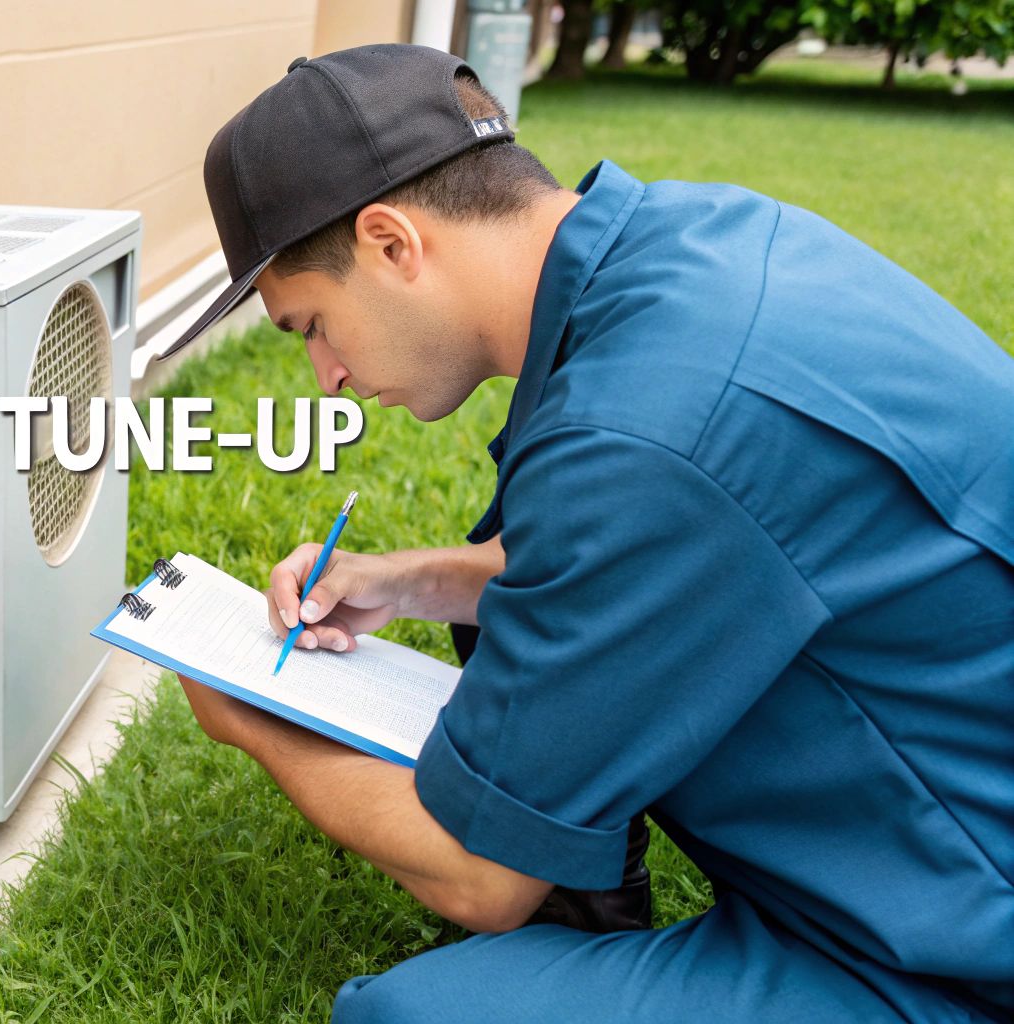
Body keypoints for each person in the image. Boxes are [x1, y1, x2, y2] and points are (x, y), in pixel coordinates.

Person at [164, 44, 1014, 1022]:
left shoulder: (647, 428)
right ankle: (584, 864)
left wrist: (252, 719)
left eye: (309, 325)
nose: (327, 377)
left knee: (410, 1016)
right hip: (942, 796)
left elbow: (477, 878)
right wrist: (402, 578)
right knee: (515, 616)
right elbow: (621, 557)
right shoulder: (690, 248)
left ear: (392, 243)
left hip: (962, 933)